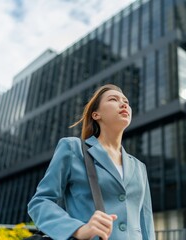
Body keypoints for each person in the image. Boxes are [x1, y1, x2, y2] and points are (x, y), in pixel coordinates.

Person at [28, 84, 155, 240]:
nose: (124, 104)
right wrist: (78, 229)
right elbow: (40, 202)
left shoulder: (139, 167)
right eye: (113, 99)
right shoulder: (72, 148)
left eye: (126, 102)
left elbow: (146, 223)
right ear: (96, 115)